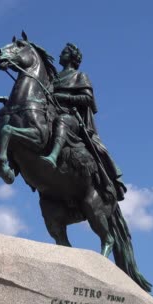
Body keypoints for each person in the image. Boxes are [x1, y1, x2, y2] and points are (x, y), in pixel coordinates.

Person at [41, 43, 127, 201]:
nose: (60, 55)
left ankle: (53, 156)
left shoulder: (80, 76)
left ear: (72, 58)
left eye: (64, 52)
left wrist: (63, 97)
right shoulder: (53, 78)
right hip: (50, 114)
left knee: (62, 121)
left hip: (72, 119)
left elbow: (88, 99)